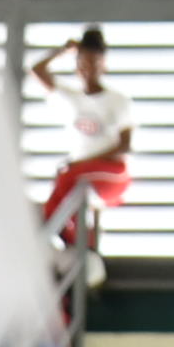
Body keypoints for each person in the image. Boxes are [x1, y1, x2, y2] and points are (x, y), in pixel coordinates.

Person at [33, 26, 134, 232]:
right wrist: (64, 50)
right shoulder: (71, 98)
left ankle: (84, 239)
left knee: (68, 176)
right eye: (83, 63)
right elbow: (38, 69)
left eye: (94, 63)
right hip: (79, 174)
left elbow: (125, 146)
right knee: (53, 205)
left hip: (112, 174)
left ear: (103, 65)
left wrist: (83, 163)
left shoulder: (118, 101)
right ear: (77, 66)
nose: (89, 68)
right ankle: (70, 241)